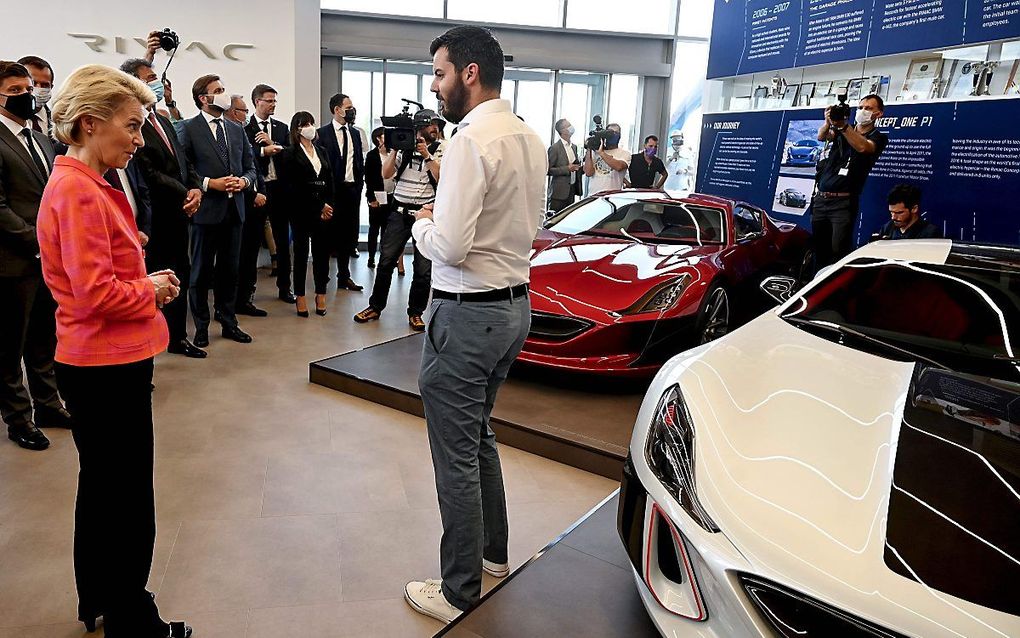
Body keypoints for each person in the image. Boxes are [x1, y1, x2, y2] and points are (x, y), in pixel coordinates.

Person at [36, 63, 192, 638]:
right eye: (131, 125)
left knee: (103, 490)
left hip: (100, 360)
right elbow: (95, 292)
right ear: (88, 123)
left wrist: (133, 254)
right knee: (125, 500)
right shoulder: (78, 190)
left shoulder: (84, 183)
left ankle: (102, 599)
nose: (138, 137)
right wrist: (148, 288)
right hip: (106, 362)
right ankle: (133, 619)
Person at [403, 25, 547, 623]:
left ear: (468, 73)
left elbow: (452, 247)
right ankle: (492, 555)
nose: (433, 87)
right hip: (514, 308)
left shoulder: (468, 140)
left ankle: (459, 590)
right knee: (479, 434)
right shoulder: (527, 136)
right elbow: (530, 227)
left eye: (438, 74)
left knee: (455, 453)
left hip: (466, 314)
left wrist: (422, 225)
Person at [0, 61, 69, 452]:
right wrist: (37, 240)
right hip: (12, 261)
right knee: (10, 345)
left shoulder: (41, 138)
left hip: (47, 259)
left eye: (30, 87)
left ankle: (48, 405)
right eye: (16, 90)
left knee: (44, 338)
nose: (28, 95)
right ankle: (18, 418)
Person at [120, 58, 205, 359]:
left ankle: (178, 337)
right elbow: (149, 173)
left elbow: (184, 161)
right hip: (156, 216)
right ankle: (154, 340)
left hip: (181, 213)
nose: (159, 82)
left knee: (180, 274)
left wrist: (195, 187)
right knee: (155, 280)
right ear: (134, 84)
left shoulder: (165, 120)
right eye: (152, 77)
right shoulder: (134, 125)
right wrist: (185, 193)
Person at [178, 74, 258, 348]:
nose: (225, 94)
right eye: (219, 91)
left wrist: (245, 181)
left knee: (229, 271)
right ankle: (200, 326)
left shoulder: (236, 129)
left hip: (234, 211)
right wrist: (208, 183)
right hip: (205, 212)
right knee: (200, 272)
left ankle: (228, 321)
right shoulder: (188, 128)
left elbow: (250, 166)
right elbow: (183, 169)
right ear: (204, 98)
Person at [353, 109, 443, 332]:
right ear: (419, 128)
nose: (434, 128)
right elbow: (386, 174)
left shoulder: (443, 148)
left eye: (436, 125)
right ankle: (375, 306)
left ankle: (416, 312)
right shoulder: (404, 147)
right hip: (399, 212)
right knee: (385, 262)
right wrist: (394, 150)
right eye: (431, 124)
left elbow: (443, 178)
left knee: (423, 269)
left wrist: (427, 156)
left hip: (426, 214)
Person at [811, 93, 888, 268]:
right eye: (860, 107)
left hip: (843, 203)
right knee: (819, 248)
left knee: (839, 249)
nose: (863, 111)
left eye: (868, 108)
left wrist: (844, 127)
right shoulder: (843, 129)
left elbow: (863, 147)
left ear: (879, 114)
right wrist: (828, 122)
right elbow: (822, 137)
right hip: (821, 200)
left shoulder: (878, 137)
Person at [276, 112, 335, 317]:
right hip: (301, 211)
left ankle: (321, 294)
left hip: (324, 213)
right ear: (297, 129)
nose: (310, 127)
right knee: (301, 255)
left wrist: (328, 205)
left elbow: (329, 180)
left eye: (312, 123)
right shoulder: (289, 154)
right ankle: (300, 296)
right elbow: (293, 186)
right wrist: (319, 204)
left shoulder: (322, 151)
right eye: (305, 124)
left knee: (321, 255)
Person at [244, 84, 293, 304]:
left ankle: (285, 288)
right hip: (256, 192)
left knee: (283, 241)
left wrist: (273, 144)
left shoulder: (282, 128)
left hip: (280, 190)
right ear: (257, 102)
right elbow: (243, 154)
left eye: (275, 101)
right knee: (251, 241)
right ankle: (248, 291)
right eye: (269, 100)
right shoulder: (244, 128)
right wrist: (263, 150)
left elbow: (291, 154)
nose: (273, 104)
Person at [225, 94, 269, 317]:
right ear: (234, 113)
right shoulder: (228, 135)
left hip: (253, 202)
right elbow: (232, 172)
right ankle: (232, 304)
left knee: (249, 255)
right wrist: (253, 194)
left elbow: (252, 168)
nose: (246, 115)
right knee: (237, 257)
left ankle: (244, 300)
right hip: (240, 204)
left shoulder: (239, 133)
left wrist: (259, 190)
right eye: (243, 111)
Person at [318, 93, 365, 287]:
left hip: (351, 191)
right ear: (337, 110)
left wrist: (359, 185)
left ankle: (344, 276)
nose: (351, 111)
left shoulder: (355, 133)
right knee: (326, 235)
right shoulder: (322, 133)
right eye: (348, 107)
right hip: (331, 192)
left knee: (348, 235)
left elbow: (358, 161)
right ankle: (322, 276)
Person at [364, 126, 396, 269]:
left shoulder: (393, 155)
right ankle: (371, 257)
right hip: (377, 196)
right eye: (384, 135)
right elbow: (369, 179)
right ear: (378, 138)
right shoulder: (372, 156)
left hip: (391, 196)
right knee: (374, 229)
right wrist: (371, 198)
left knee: (387, 230)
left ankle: (385, 257)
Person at [874, 184, 942, 240]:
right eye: (891, 212)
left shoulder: (930, 233)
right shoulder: (887, 228)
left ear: (914, 209)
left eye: (899, 213)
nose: (893, 217)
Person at [547, 118, 582, 213]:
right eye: (568, 125)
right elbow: (548, 170)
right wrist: (567, 169)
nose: (571, 127)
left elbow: (575, 164)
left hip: (572, 189)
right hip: (558, 192)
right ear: (563, 131)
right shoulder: (554, 148)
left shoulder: (574, 147)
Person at [583, 122, 629, 194]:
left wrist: (601, 153)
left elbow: (619, 167)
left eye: (615, 132)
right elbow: (588, 173)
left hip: (611, 197)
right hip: (594, 195)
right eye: (610, 132)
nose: (613, 135)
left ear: (619, 136)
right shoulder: (596, 151)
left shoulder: (625, 154)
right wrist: (589, 148)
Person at [16, 56, 54, 136]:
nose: (38, 88)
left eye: (45, 85)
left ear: (51, 87)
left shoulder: (56, 120)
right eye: (33, 83)